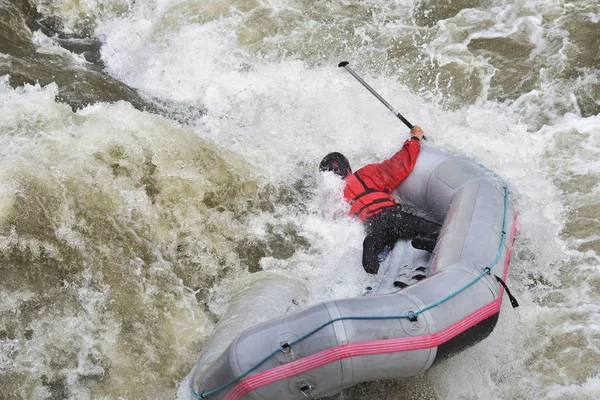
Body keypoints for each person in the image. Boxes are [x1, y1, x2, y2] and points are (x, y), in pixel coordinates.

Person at [319, 126, 440, 275]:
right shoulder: (365, 174)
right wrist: (414, 139)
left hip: (372, 226)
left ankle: (371, 253)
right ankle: (424, 240)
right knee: (436, 230)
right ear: (347, 167)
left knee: (375, 241)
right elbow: (399, 166)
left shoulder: (333, 198)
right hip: (390, 216)